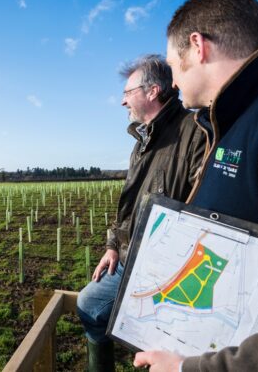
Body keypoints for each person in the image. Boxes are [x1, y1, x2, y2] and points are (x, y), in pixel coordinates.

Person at [134, 0, 258, 371]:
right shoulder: (235, 120)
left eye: (172, 65)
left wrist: (189, 369)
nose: (172, 83)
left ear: (198, 46)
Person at [77, 54, 206, 371]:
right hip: (131, 256)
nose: (122, 102)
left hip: (170, 267)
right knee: (89, 304)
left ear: (152, 91)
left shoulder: (195, 133)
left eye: (126, 93)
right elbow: (130, 203)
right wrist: (112, 246)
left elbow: (202, 215)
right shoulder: (143, 140)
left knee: (160, 343)